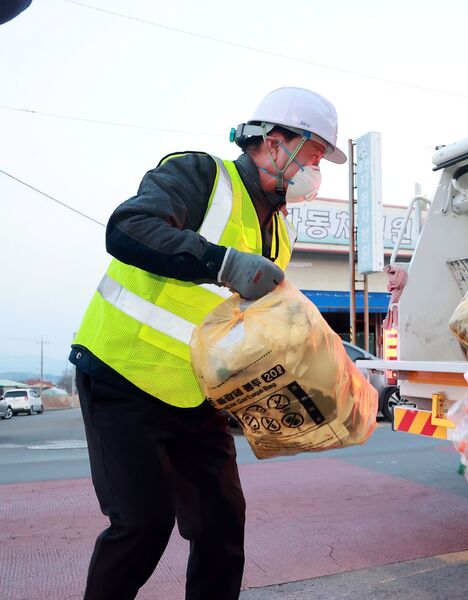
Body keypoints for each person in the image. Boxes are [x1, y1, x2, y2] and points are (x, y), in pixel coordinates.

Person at [69, 87, 346, 600]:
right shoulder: (202, 176)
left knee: (222, 524)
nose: (314, 169)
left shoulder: (279, 235)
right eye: (310, 155)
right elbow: (128, 228)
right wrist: (223, 263)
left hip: (197, 396)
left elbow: (246, 327)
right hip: (123, 374)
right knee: (143, 525)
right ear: (272, 143)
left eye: (319, 162)